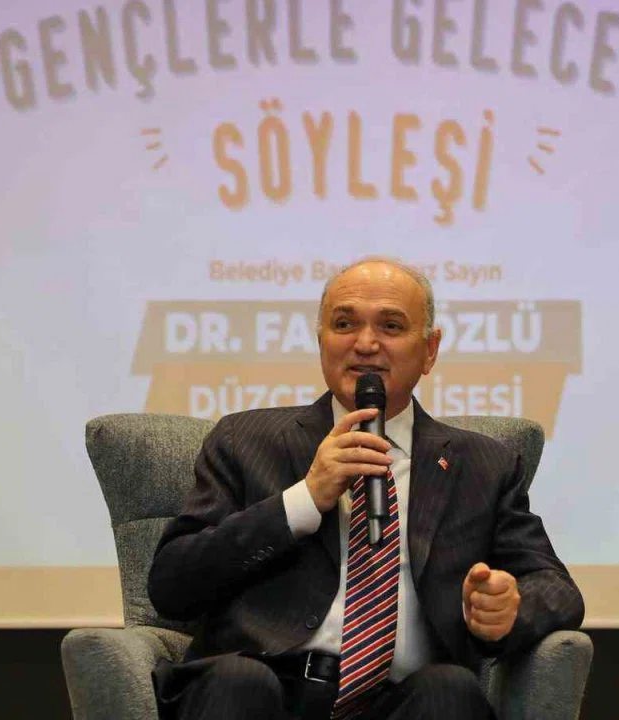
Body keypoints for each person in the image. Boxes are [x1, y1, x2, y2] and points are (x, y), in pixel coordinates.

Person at [148, 257, 584, 719]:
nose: (365, 344)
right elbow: (171, 585)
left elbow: (558, 589)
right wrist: (303, 499)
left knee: (450, 689)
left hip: (402, 703)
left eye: (391, 326)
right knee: (239, 681)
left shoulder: (482, 465)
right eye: (344, 324)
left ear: (430, 350)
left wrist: (509, 608)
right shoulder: (244, 440)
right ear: (321, 341)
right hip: (261, 692)